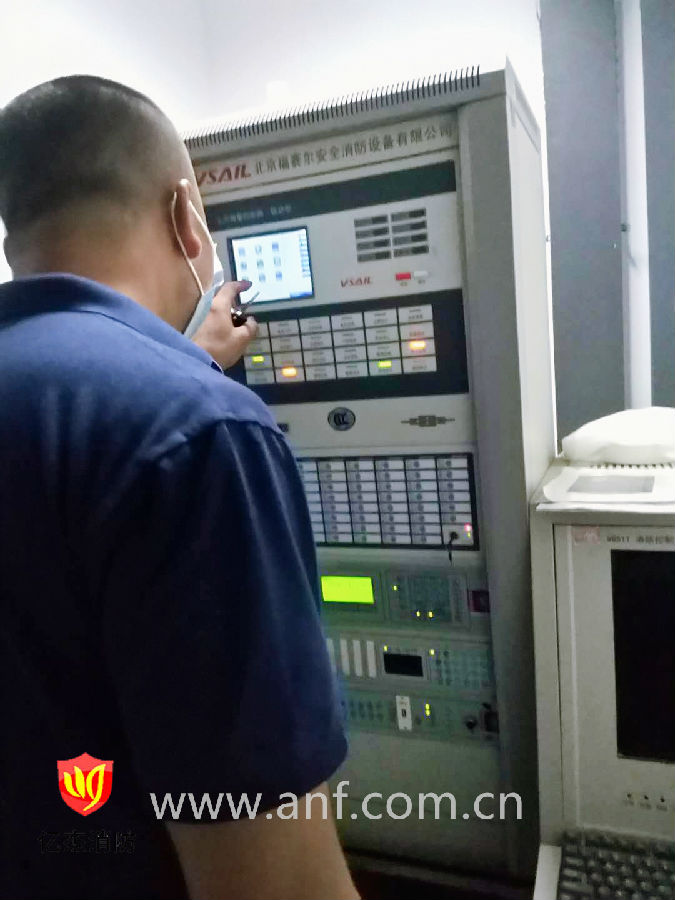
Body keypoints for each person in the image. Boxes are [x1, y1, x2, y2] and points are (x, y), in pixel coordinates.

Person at [0, 75, 357, 900]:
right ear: (184, 216)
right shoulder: (200, 431)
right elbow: (278, 886)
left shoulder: (158, 413)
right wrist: (183, 393)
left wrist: (179, 367)